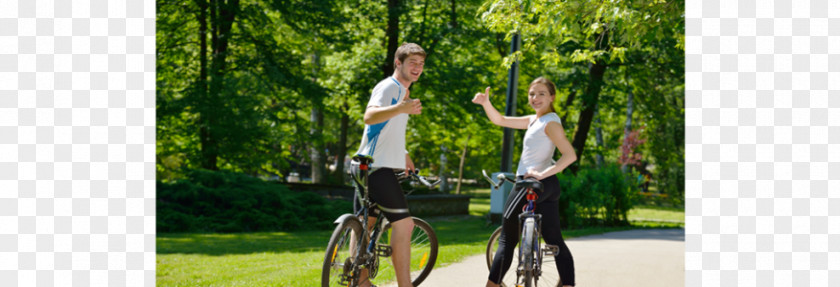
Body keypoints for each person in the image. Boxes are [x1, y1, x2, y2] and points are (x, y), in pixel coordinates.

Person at [472, 77, 577, 287]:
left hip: (533, 183)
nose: (535, 98)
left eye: (541, 94)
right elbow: (500, 120)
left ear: (552, 97)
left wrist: (542, 173)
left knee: (507, 240)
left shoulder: (551, 123)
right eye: (532, 94)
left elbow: (570, 155)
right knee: (555, 241)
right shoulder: (534, 120)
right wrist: (486, 103)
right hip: (548, 186)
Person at [354, 42, 425, 287]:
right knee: (405, 225)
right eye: (412, 63)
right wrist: (400, 107)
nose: (417, 68)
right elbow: (369, 116)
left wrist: (403, 153)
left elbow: (383, 128)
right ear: (398, 62)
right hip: (377, 167)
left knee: (365, 224)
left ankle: (360, 282)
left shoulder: (401, 92)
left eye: (421, 64)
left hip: (368, 165)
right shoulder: (390, 87)